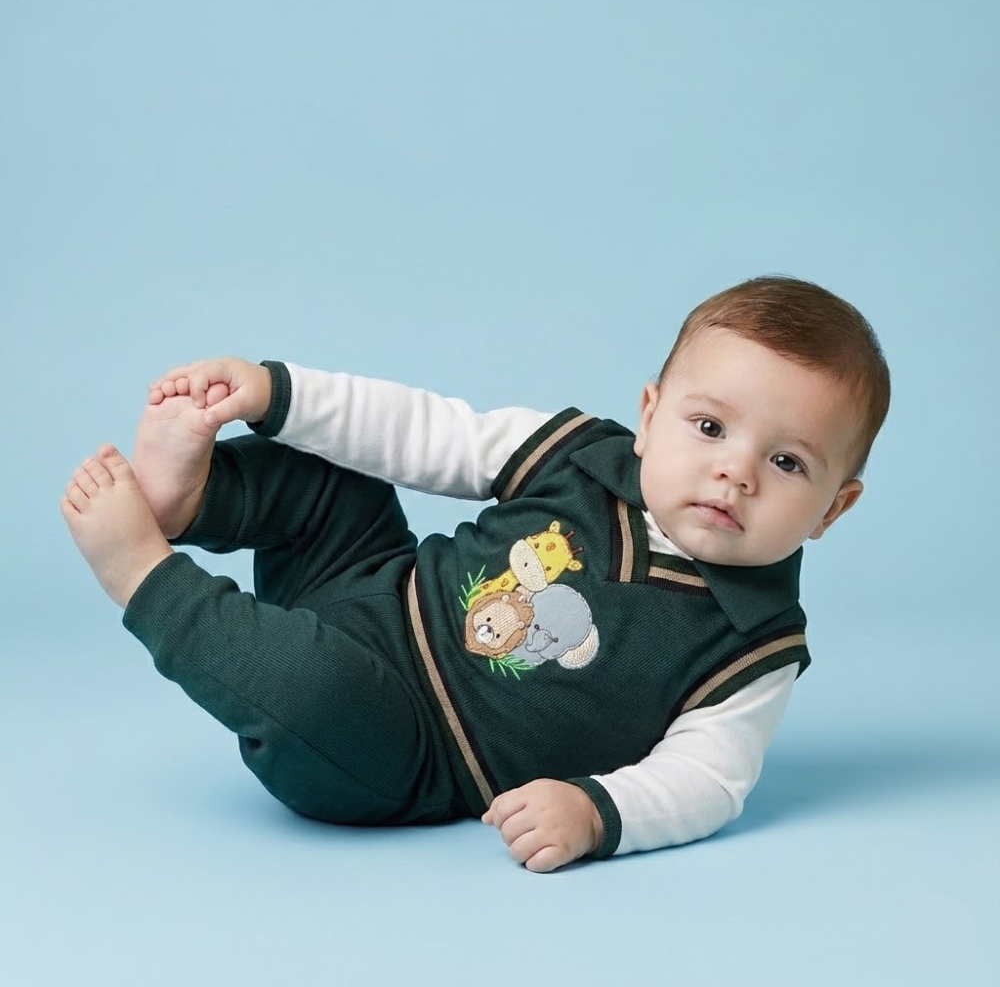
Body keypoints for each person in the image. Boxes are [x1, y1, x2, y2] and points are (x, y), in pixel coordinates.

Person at [60, 275, 890, 873]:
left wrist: (598, 814)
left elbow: (707, 778)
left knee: (307, 682)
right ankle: (193, 499)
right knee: (334, 476)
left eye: (785, 461)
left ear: (832, 509)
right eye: (708, 426)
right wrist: (280, 392)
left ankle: (143, 570)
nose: (734, 473)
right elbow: (427, 432)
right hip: (374, 583)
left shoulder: (755, 643)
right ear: (648, 416)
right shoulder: (580, 455)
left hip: (405, 748)